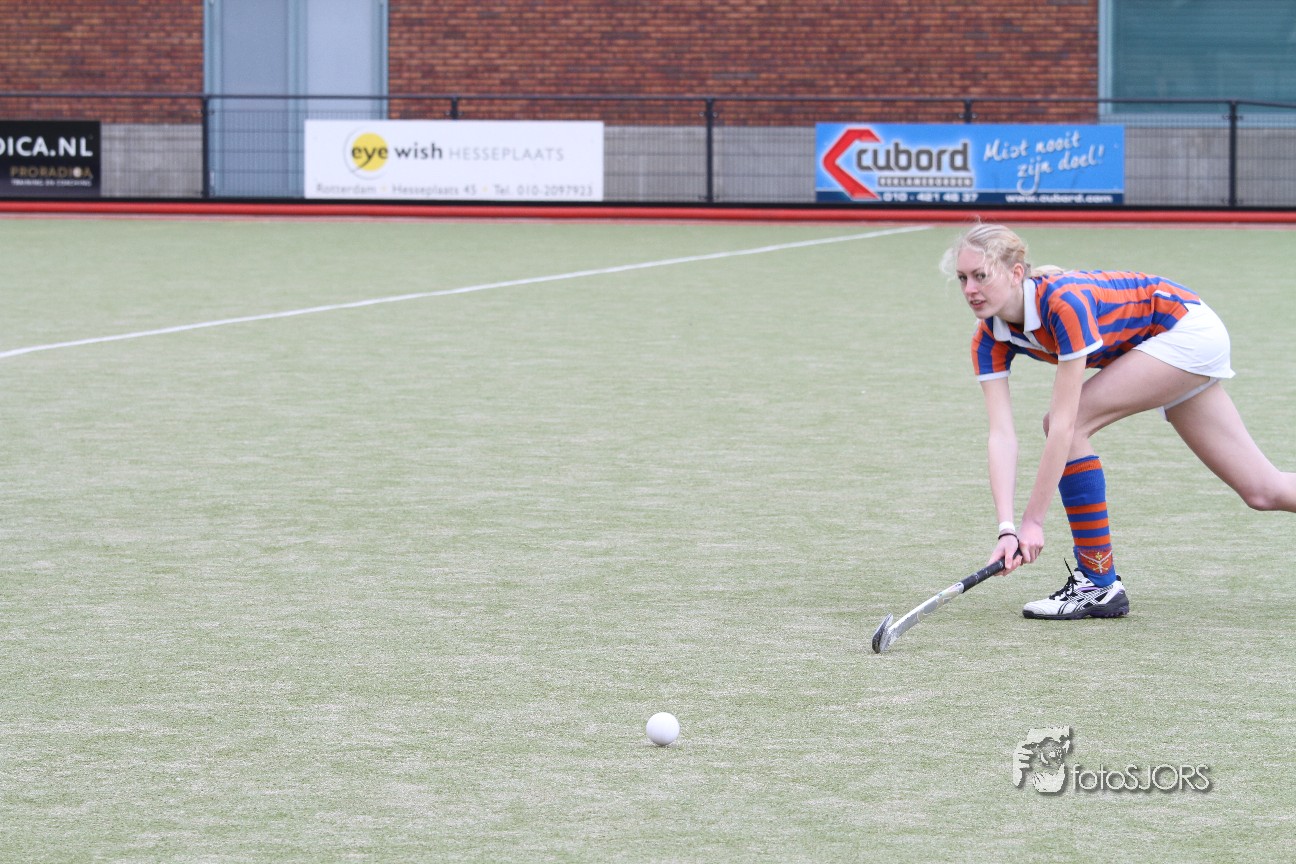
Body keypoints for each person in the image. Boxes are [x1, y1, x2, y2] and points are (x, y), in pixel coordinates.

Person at [941, 223, 1296, 620]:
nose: (970, 289)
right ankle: (1098, 584)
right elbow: (1001, 435)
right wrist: (1007, 527)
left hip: (1184, 331)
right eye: (962, 278)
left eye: (981, 275)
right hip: (1159, 346)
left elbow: (1064, 425)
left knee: (1070, 423)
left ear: (1016, 273)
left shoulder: (1063, 304)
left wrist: (1033, 522)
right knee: (1264, 491)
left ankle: (1098, 583)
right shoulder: (988, 338)